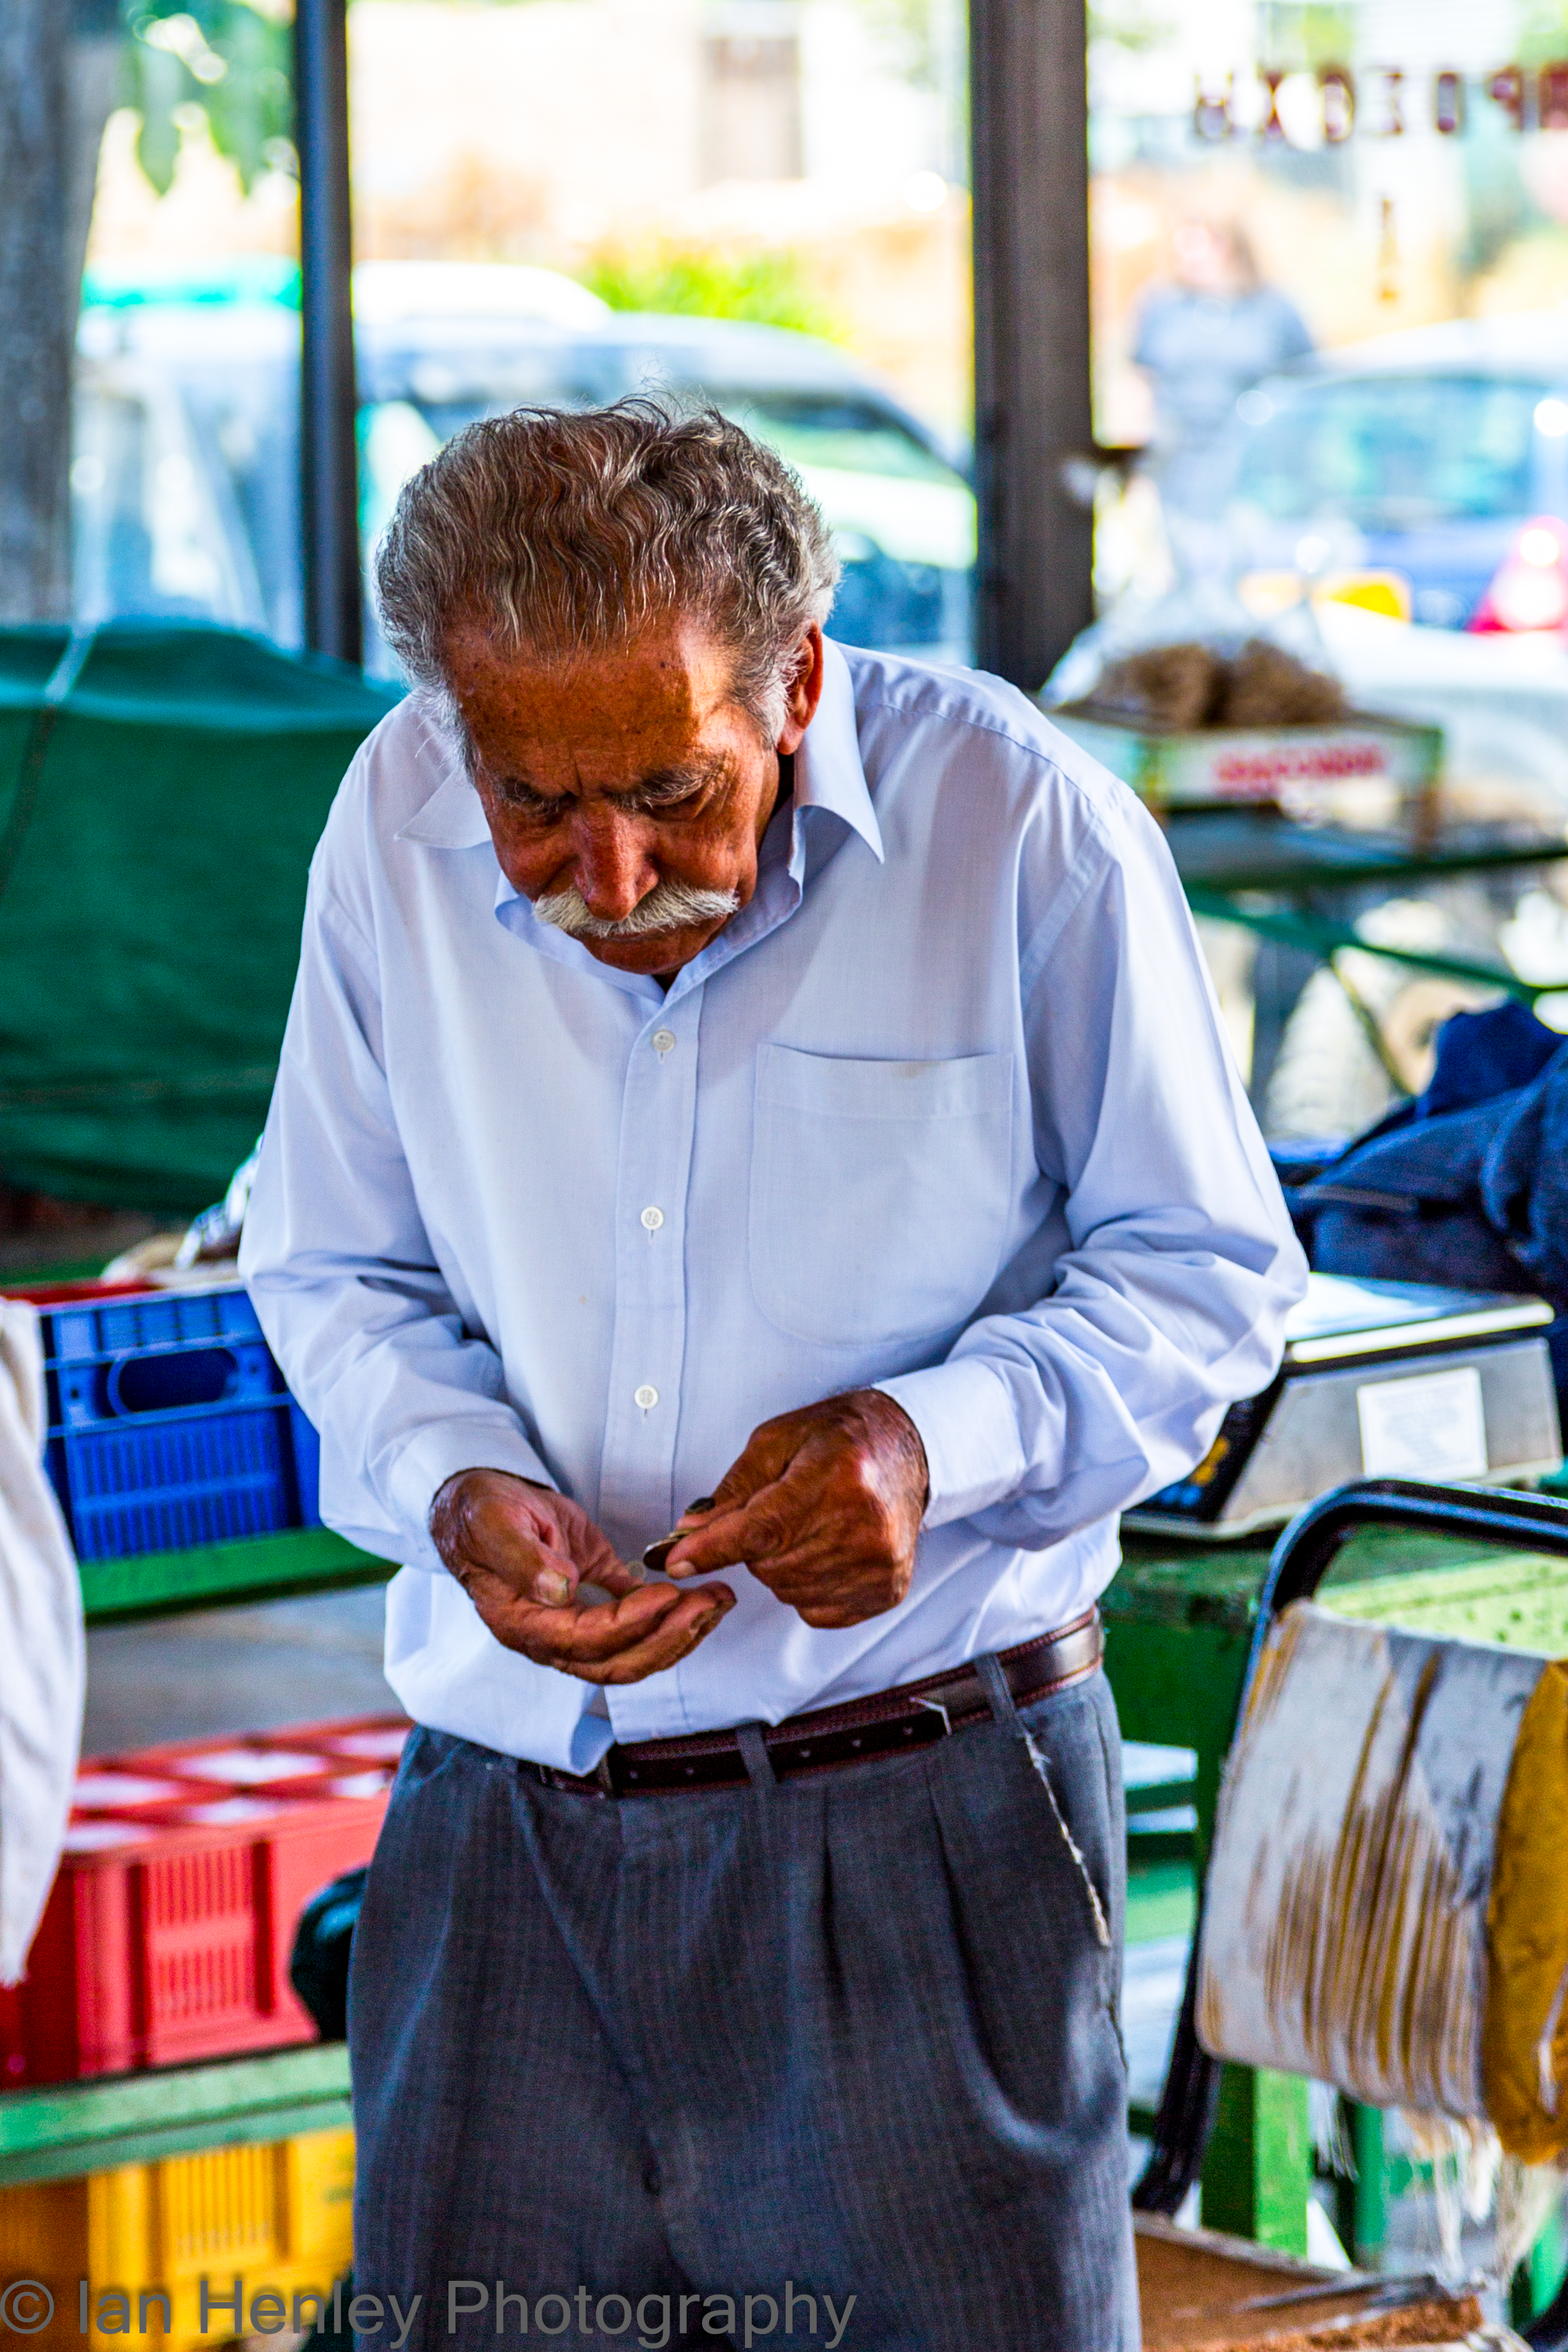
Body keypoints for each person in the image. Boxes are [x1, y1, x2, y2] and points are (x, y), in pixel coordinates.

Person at [241, 400, 1305, 2352]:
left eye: (666, 784)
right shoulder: (388, 823)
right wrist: (450, 1476)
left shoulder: (1017, 826)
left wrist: (932, 1440)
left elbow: (1212, 1275)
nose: (607, 867)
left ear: (797, 678)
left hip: (921, 1815)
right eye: (533, 801)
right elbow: (330, 1262)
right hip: (508, 1826)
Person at [1133, 215, 1314, 520]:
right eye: (1184, 244)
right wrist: (1137, 469)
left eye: (1206, 242)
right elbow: (1140, 382)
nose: (1193, 255)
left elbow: (1305, 385)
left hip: (1254, 471)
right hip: (1176, 467)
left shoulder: (1272, 308)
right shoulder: (1162, 306)